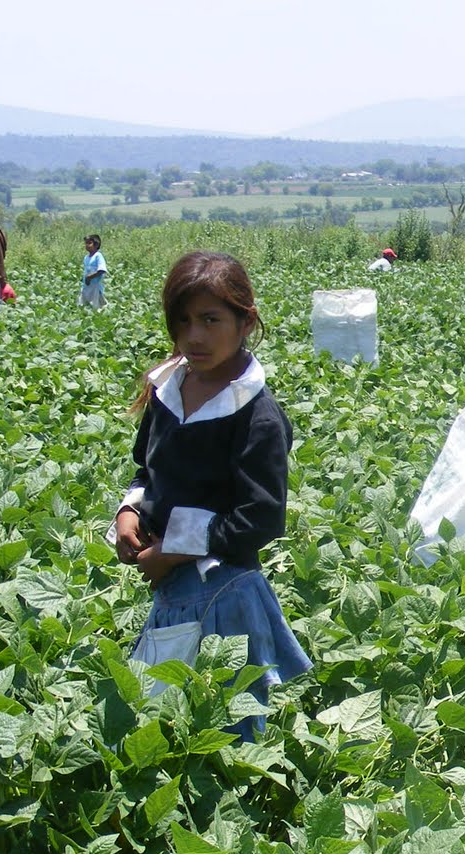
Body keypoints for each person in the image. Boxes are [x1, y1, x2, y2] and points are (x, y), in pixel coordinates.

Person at [112, 251, 311, 739]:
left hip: (224, 591)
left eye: (210, 320)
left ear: (245, 322)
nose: (194, 336)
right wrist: (128, 512)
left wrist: (171, 553)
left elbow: (259, 519)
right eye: (183, 321)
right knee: (163, 718)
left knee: (229, 728)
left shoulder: (255, 414)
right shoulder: (167, 392)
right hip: (171, 583)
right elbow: (147, 469)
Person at [80, 234, 109, 309]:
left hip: (96, 286)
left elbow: (101, 270)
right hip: (86, 286)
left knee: (98, 306)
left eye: (89, 243)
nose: (87, 245)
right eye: (86, 243)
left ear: (96, 245)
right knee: (85, 305)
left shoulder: (98, 256)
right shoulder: (86, 257)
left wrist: (89, 277)